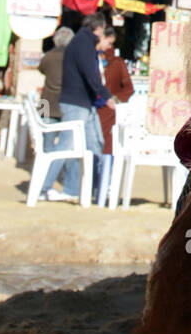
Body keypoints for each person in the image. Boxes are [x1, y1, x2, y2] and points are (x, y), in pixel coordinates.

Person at [41, 12, 117, 203]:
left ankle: (90, 189)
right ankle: (44, 187)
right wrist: (107, 96)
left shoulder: (80, 43)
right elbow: (91, 76)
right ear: (98, 27)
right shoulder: (83, 44)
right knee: (66, 146)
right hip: (76, 103)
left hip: (76, 103)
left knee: (94, 145)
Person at [97, 25, 134, 156]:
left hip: (109, 111)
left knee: (106, 144)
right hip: (96, 109)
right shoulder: (92, 58)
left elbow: (129, 88)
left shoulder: (117, 62)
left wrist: (113, 100)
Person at [38, 26, 73, 121]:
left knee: (45, 134)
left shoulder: (48, 56)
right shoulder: (73, 58)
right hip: (65, 103)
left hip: (46, 102)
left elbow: (41, 69)